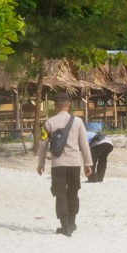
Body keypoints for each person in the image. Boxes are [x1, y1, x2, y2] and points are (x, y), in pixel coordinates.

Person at [37, 93, 92, 236]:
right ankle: (72, 223)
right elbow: (84, 144)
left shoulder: (48, 123)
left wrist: (41, 163)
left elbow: (43, 144)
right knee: (73, 192)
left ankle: (65, 226)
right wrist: (88, 163)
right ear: (69, 104)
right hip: (74, 163)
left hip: (58, 165)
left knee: (60, 194)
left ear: (55, 106)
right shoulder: (78, 122)